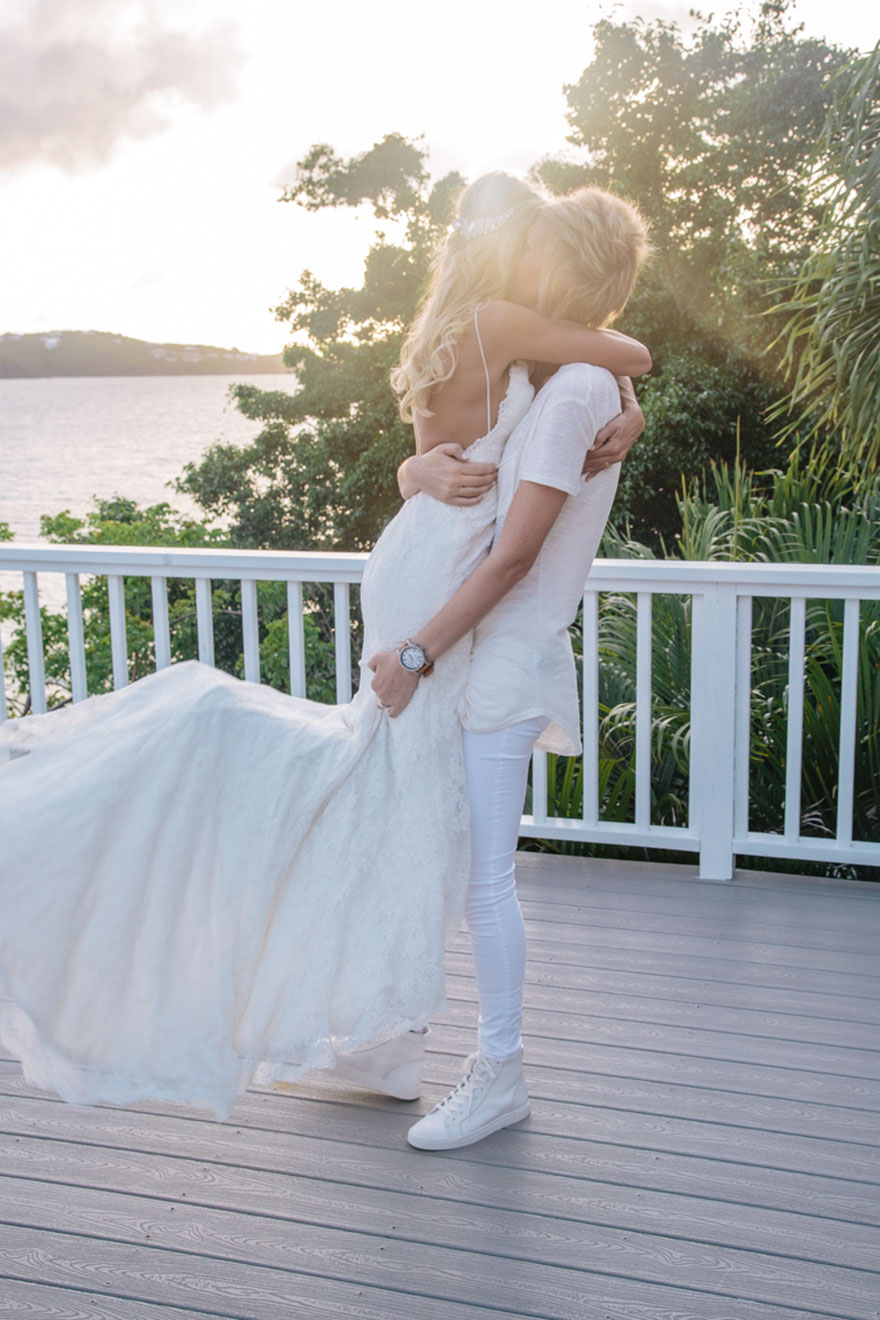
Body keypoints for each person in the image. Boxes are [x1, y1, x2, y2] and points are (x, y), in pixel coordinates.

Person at [0, 173, 648, 1126]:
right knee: (398, 811)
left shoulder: (457, 327)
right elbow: (624, 347)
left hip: (420, 571)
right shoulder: (506, 326)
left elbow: (450, 449)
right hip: (433, 595)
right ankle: (385, 1032)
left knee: (393, 808)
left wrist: (432, 465)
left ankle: (384, 1039)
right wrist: (628, 390)